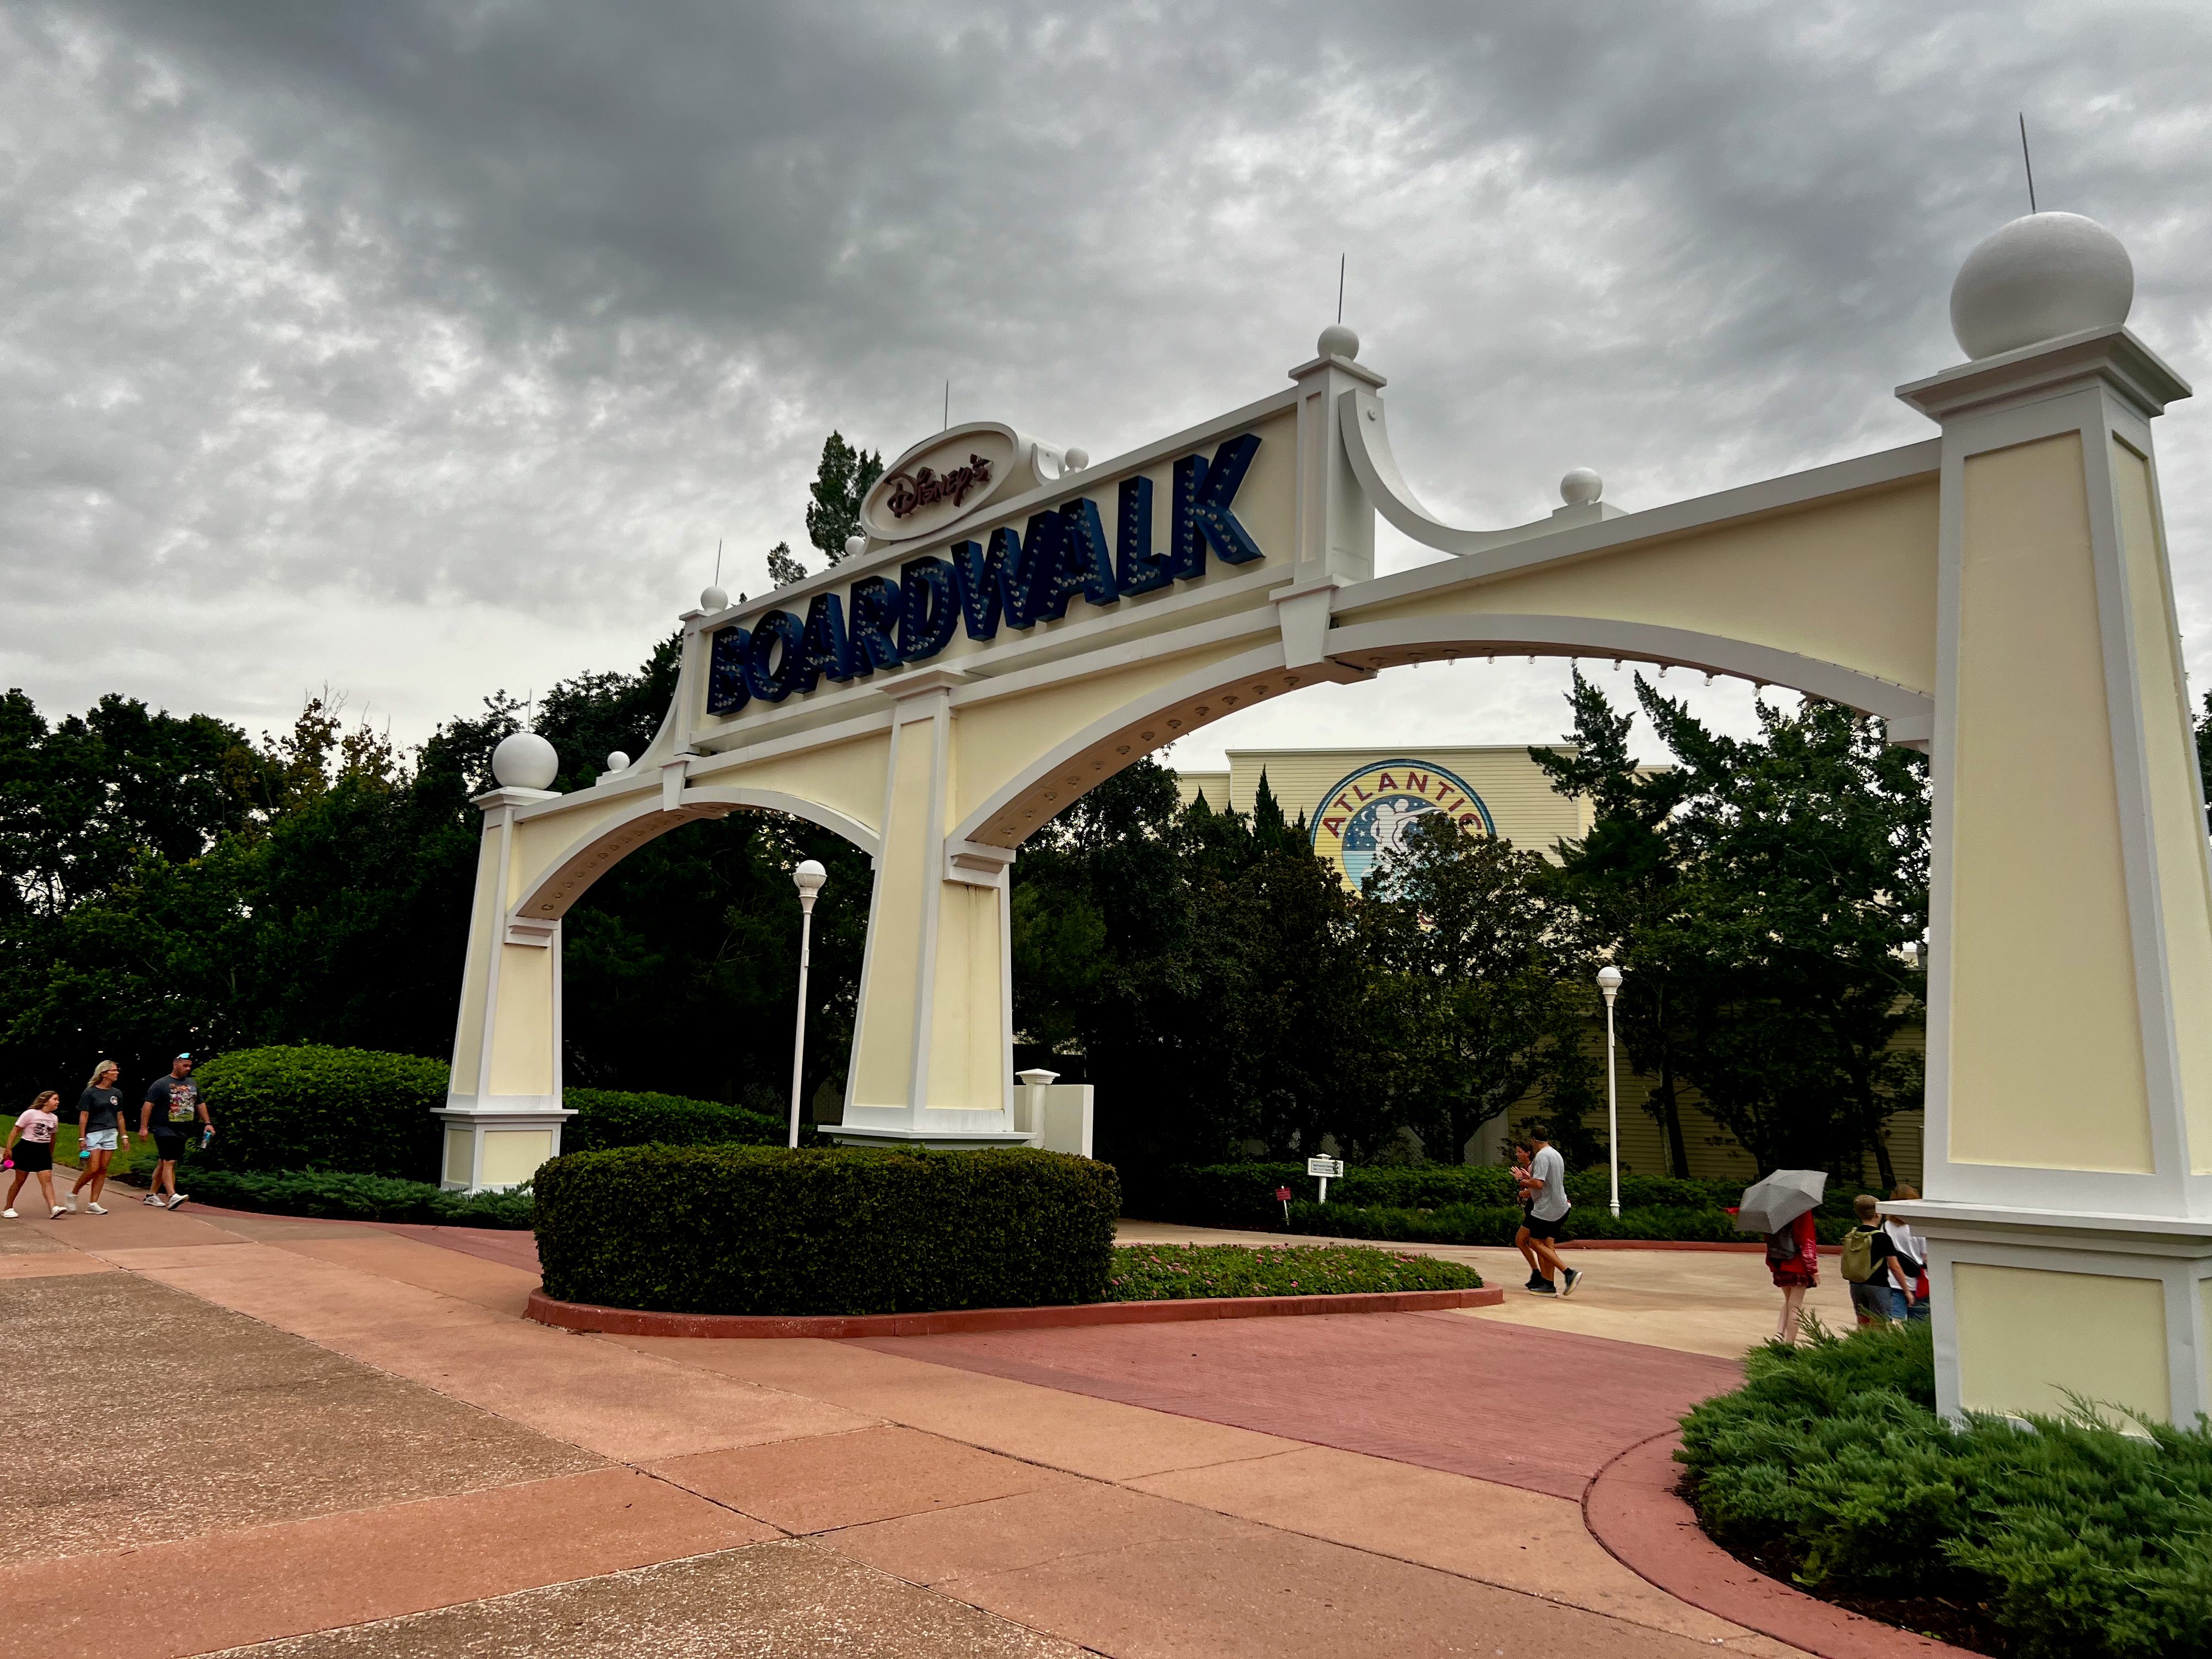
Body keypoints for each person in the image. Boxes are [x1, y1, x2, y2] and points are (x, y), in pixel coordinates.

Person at [1519, 1123, 1582, 1297]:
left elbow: (1538, 1184)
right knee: (1546, 1246)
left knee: (1534, 1242)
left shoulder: (1541, 1156)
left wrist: (1521, 1181)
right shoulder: (1556, 1154)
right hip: (1561, 1207)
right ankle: (1548, 1285)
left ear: (1533, 1140)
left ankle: (1569, 1273)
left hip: (1546, 1209)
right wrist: (1529, 1178)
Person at [140, 1054, 210, 1210]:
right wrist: (144, 1128)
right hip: (164, 1129)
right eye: (185, 1066)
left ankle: (151, 1195)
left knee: (164, 1161)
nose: (188, 1069)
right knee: (169, 1161)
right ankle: (172, 1196)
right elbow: (148, 1106)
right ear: (175, 1064)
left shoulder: (192, 1084)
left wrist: (208, 1123)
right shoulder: (161, 1084)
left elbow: (200, 1104)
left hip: (183, 1130)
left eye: (190, 1066)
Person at [69, 1060, 129, 1215]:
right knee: (94, 1168)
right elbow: (84, 1116)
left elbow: (120, 1116)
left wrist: (124, 1136)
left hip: (111, 1133)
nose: (117, 1073)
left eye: (117, 1070)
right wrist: (82, 1138)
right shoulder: (90, 1093)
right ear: (104, 1073)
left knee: (103, 1169)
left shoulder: (117, 1093)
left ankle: (93, 1203)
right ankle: (74, 1193)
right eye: (114, 1070)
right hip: (94, 1133)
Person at [1843, 1194, 1910, 1324]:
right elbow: (1894, 1266)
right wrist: (1906, 1290)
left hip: (1856, 1285)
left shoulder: (1853, 1235)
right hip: (1878, 1285)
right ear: (1877, 1214)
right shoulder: (1882, 1238)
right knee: (1880, 1324)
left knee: (1863, 1323)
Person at [4, 1092, 68, 1220]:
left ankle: (53, 1208)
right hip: (27, 1148)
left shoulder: (54, 1118)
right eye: (55, 1099)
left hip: (43, 1150)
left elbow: (53, 1138)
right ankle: (8, 1208)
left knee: (47, 1179)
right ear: (45, 1101)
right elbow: (15, 1131)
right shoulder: (30, 1114)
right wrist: (8, 1148)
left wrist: (50, 1154)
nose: (58, 1102)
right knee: (20, 1180)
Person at [1767, 1203, 1820, 1344]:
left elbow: (1769, 1237)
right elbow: (1807, 1239)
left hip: (1779, 1262)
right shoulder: (1802, 1208)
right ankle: (1789, 1344)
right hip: (1797, 1263)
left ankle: (1778, 1335)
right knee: (1795, 1306)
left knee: (1789, 1301)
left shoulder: (1774, 1207)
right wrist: (1813, 1269)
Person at [1887, 1186, 1931, 1322]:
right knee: (1918, 1323)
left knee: (1896, 1322)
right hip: (1918, 1283)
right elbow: (1926, 1257)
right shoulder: (1919, 1227)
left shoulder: (1886, 1226)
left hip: (1893, 1281)